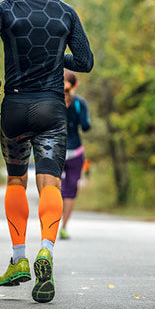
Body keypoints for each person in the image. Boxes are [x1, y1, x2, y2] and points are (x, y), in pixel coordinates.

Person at [0, 0, 93, 303]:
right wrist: (57, 56)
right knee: (49, 183)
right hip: (51, 110)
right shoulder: (65, 12)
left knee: (15, 179)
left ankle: (18, 259)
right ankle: (46, 251)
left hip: (14, 107)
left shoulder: (3, 9)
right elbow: (85, 61)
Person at [58, 70, 90, 240]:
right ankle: (63, 227)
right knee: (70, 191)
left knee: (53, 187)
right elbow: (86, 126)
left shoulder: (54, 100)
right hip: (76, 152)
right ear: (75, 85)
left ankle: (51, 225)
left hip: (56, 150)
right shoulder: (79, 103)